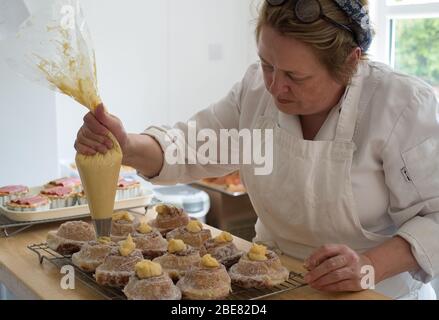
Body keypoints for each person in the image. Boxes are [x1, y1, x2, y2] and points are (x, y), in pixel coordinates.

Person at [75, 0, 439, 299]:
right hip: (271, 280)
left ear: (349, 63)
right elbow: (191, 146)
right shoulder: (255, 90)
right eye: (267, 65)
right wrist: (126, 145)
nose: (275, 87)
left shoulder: (402, 105)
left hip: (376, 289)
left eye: (295, 77)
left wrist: (368, 264)